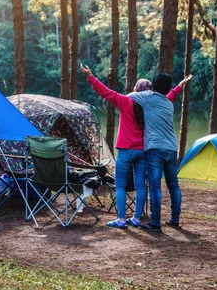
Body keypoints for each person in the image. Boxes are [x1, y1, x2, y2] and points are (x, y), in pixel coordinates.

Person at [80, 64, 182, 229]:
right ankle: (136, 218)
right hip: (143, 150)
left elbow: (106, 92)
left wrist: (91, 77)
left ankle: (121, 220)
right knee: (140, 185)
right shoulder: (152, 104)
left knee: (120, 186)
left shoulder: (126, 101)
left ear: (137, 89)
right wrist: (179, 87)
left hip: (126, 150)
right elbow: (169, 96)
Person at [128, 73, 192, 232]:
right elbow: (173, 93)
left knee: (155, 187)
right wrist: (181, 84)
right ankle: (174, 220)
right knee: (173, 186)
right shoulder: (169, 103)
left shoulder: (147, 97)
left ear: (153, 87)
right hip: (171, 148)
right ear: (168, 88)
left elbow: (128, 96)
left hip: (155, 148)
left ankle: (155, 222)